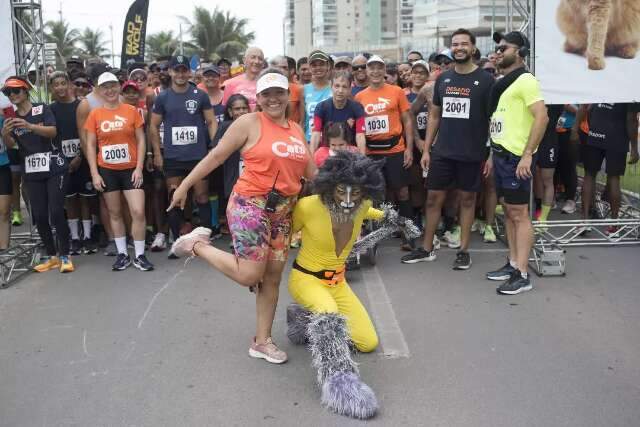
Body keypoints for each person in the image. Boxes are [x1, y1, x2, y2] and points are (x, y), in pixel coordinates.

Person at [169, 68, 316, 365]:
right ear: (258, 99)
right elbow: (216, 156)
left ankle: (262, 342)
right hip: (251, 204)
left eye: (279, 93)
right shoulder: (248, 123)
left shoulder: (297, 130)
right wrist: (184, 185)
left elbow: (312, 174)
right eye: (267, 94)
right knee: (249, 274)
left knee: (272, 278)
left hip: (283, 212)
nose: (273, 99)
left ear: (288, 96)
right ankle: (196, 244)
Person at [284, 151, 385, 419]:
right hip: (307, 279)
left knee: (368, 342)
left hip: (338, 284)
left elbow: (377, 212)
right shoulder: (307, 206)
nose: (349, 200)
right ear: (329, 187)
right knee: (328, 316)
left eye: (357, 193)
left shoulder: (362, 206)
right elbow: (281, 235)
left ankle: (303, 318)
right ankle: (339, 384)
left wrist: (397, 220)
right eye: (341, 192)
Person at [401, 29, 494, 270]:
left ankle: (463, 250)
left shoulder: (485, 80)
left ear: (473, 48)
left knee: (467, 200)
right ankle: (426, 248)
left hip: (472, 153)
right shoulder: (443, 79)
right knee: (433, 199)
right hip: (443, 151)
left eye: (464, 43)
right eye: (455, 44)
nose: (459, 47)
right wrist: (428, 148)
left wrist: (491, 153)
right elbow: (434, 114)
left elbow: (494, 119)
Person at [485, 31, 549, 295]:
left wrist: (527, 154)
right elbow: (499, 123)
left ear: (520, 52)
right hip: (501, 156)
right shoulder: (505, 82)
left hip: (516, 159)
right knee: (509, 212)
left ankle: (523, 274)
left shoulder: (526, 80)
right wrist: (491, 154)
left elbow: (542, 118)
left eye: (505, 48)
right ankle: (513, 263)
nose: (499, 52)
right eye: (497, 48)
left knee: (520, 215)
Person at [1, 76, 74, 273]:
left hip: (54, 167)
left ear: (26, 91)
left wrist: (31, 126)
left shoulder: (42, 108)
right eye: (9, 93)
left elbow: (52, 131)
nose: (13, 95)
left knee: (56, 211)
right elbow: (12, 147)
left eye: (16, 91)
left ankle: (65, 255)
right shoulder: (11, 118)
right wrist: (5, 133)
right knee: (40, 215)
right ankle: (52, 256)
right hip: (32, 171)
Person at [149, 55, 218, 256]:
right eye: (176, 70)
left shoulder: (200, 95)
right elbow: (153, 125)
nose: (180, 74)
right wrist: (157, 152)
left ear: (189, 72)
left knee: (202, 196)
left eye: (183, 70)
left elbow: (211, 121)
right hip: (173, 157)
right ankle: (176, 239)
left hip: (198, 155)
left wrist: (214, 147)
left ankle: (205, 240)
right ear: (170, 72)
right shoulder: (162, 97)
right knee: (174, 197)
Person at [84, 72, 153, 271]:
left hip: (131, 169)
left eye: (113, 85)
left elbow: (141, 139)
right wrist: (95, 173)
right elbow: (90, 145)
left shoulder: (131, 111)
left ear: (118, 87)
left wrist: (139, 167)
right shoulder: (95, 114)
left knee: (138, 211)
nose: (110, 90)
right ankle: (122, 253)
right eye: (105, 87)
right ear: (99, 90)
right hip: (107, 170)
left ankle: (140, 255)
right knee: (114, 213)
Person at [354, 55, 415, 244]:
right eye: (371, 68)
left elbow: (407, 121)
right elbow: (357, 126)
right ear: (366, 71)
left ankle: (408, 232)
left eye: (379, 67)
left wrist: (409, 149)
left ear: (384, 70)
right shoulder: (359, 96)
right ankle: (380, 232)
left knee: (402, 191)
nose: (375, 71)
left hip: (395, 148)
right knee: (374, 194)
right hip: (372, 151)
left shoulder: (396, 91)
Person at [49, 71, 97, 255]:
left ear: (69, 84)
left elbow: (87, 134)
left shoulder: (81, 106)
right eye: (56, 85)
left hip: (83, 158)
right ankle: (75, 238)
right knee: (70, 200)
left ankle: (88, 236)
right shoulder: (51, 109)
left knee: (85, 198)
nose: (60, 87)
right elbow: (52, 137)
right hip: (62, 162)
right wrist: (63, 159)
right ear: (52, 88)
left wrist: (80, 156)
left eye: (63, 83)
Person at [579, 103, 639, 234]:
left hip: (596, 132)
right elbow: (631, 119)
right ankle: (614, 225)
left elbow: (588, 108)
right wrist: (634, 147)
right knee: (614, 177)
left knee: (589, 174)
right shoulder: (630, 88)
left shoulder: (602, 82)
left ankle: (583, 221)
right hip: (617, 136)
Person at [309, 71, 366, 154]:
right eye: (337, 86)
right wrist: (311, 160)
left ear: (350, 88)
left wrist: (362, 161)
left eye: (344, 87)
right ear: (331, 86)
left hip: (349, 153)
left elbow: (360, 136)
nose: (340, 90)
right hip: (327, 152)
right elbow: (315, 134)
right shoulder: (321, 107)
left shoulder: (357, 108)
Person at [533, 105, 564, 224]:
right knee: (536, 175)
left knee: (547, 178)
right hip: (533, 137)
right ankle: (538, 206)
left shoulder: (556, 99)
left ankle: (543, 217)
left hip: (549, 140)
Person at [300, 50, 333, 141]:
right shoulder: (304, 89)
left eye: (321, 64)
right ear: (310, 68)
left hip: (332, 142)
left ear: (328, 66)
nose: (318, 68)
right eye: (314, 65)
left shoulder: (336, 87)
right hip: (310, 141)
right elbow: (303, 121)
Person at [222, 47, 264, 111]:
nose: (257, 61)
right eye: (253, 57)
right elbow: (225, 111)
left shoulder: (267, 83)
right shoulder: (230, 83)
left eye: (260, 59)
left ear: (263, 63)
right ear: (244, 60)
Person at [556, 104, 579, 214]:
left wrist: (568, 105)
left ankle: (571, 200)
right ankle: (560, 195)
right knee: (559, 166)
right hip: (558, 130)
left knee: (570, 166)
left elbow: (580, 110)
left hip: (571, 131)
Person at [269, 55, 302, 123]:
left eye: (286, 68)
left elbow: (302, 119)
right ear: (272, 68)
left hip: (292, 131)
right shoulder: (264, 89)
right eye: (283, 67)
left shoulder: (298, 89)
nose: (285, 70)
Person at [0, 112, 12, 250]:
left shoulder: (2, 120)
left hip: (2, 166)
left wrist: (4, 134)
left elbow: (11, 145)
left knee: (4, 211)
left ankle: (4, 249)